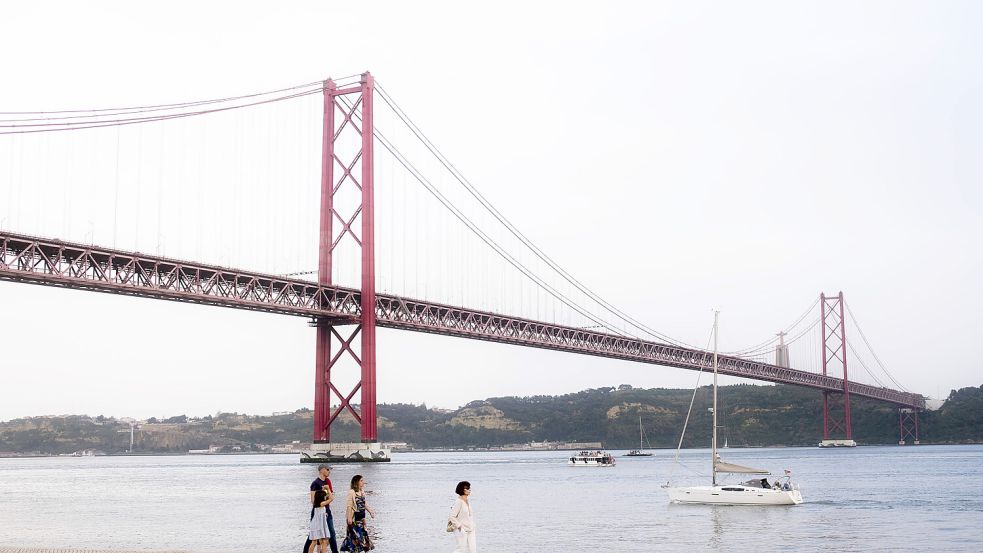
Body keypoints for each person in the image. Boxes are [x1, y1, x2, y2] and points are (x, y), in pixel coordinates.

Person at [304, 465, 338, 553]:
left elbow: (331, 495)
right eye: (327, 469)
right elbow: (313, 500)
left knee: (331, 533)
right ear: (322, 470)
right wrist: (322, 502)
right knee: (313, 537)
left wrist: (328, 495)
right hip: (318, 513)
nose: (329, 471)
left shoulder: (327, 481)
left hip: (327, 511)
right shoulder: (315, 483)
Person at [340, 474, 375, 552]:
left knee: (363, 540)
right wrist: (349, 518)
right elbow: (349, 506)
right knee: (355, 540)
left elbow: (364, 504)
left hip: (361, 519)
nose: (363, 482)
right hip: (354, 519)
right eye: (361, 480)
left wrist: (371, 512)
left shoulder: (362, 491)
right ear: (356, 482)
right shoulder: (351, 492)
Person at [448, 480, 476, 553]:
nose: (469, 490)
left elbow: (469, 516)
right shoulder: (458, 502)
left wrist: (473, 525)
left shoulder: (467, 500)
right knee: (461, 549)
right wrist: (460, 527)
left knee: (473, 550)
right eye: (467, 488)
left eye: (469, 488)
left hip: (471, 529)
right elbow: (452, 516)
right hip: (461, 530)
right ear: (462, 490)